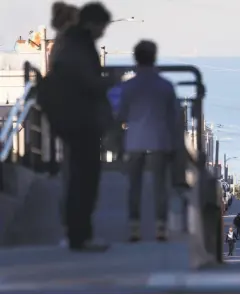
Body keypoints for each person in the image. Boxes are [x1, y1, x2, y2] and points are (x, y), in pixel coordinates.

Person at [45, 2, 114, 252]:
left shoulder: (68, 43)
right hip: (81, 119)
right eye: (102, 27)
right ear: (92, 23)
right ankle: (80, 234)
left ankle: (78, 232)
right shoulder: (78, 45)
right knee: (84, 178)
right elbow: (86, 81)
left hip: (72, 118)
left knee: (79, 176)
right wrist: (108, 83)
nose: (102, 33)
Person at [117, 40, 179, 242]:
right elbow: (174, 118)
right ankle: (161, 227)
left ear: (136, 58)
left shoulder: (128, 87)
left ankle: (134, 227)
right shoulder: (166, 86)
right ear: (154, 57)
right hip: (160, 141)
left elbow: (120, 115)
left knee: (134, 185)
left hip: (134, 141)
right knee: (160, 185)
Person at [48, 1, 79, 249]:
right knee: (78, 175)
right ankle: (74, 229)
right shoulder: (71, 45)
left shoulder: (58, 45)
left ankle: (72, 227)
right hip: (76, 119)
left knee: (70, 174)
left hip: (65, 117)